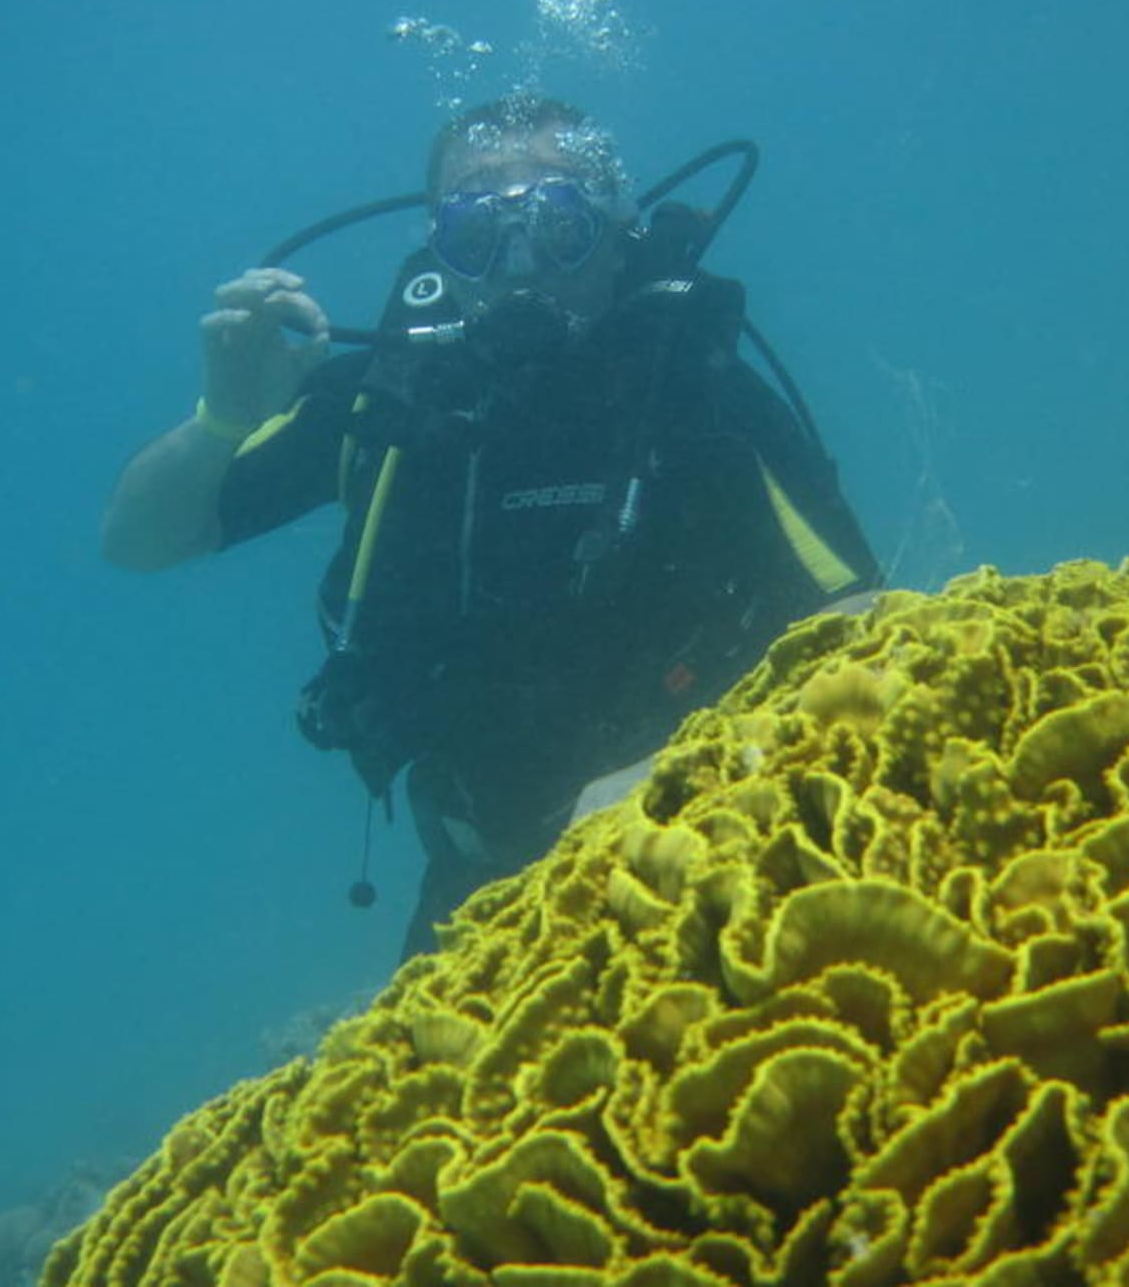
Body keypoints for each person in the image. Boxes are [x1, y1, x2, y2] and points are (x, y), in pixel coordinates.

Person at [102, 94, 880, 956]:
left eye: (557, 227)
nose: (519, 267)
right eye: (477, 234)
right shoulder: (388, 401)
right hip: (484, 882)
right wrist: (221, 420)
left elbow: (861, 617)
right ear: (440, 249)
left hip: (735, 836)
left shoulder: (697, 390)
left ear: (616, 232)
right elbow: (139, 541)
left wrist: (672, 779)